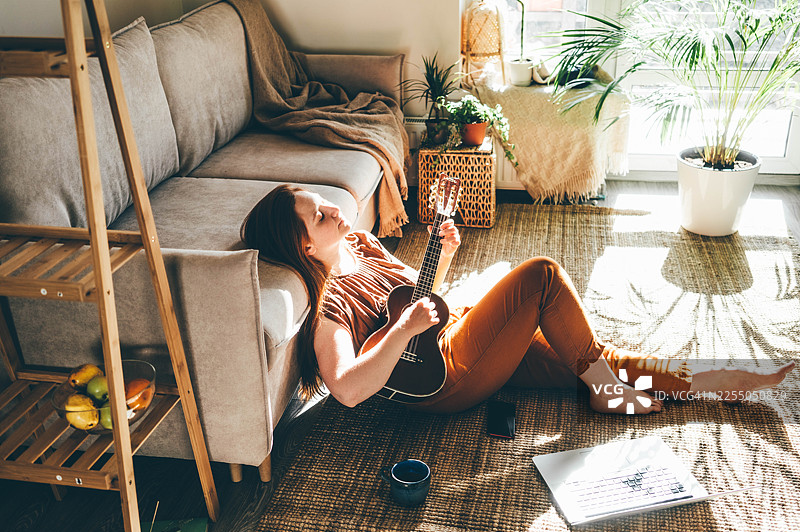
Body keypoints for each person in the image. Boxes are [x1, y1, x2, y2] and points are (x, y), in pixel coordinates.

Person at [241, 184, 794, 414]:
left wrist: (445, 252)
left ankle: (725, 379)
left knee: (587, 359)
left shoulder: (361, 242)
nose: (336, 210)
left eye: (323, 203)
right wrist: (405, 331)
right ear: (304, 246)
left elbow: (419, 295)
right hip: (445, 382)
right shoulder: (331, 306)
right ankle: (607, 391)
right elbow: (347, 388)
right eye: (320, 217)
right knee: (542, 276)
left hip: (456, 338)